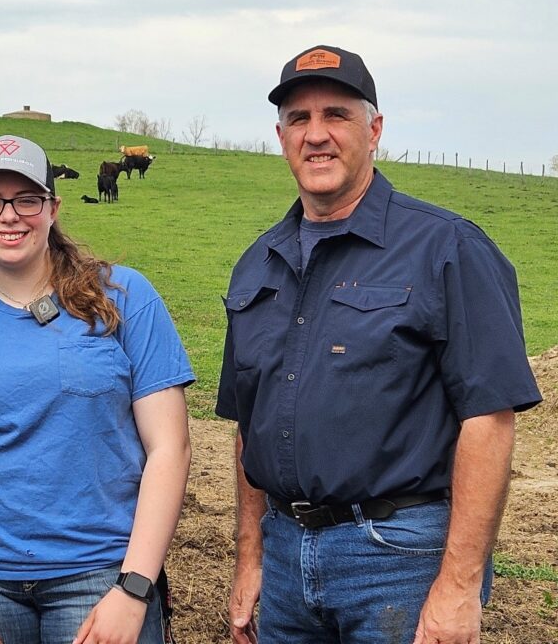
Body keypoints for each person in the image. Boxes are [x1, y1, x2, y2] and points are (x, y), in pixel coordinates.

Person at [215, 45, 542, 644]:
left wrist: (459, 584)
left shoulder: (448, 248)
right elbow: (248, 424)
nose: (316, 135)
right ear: (281, 136)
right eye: (299, 119)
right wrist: (251, 556)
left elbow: (489, 419)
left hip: (399, 558)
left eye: (336, 115)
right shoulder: (257, 266)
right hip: (285, 556)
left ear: (375, 129)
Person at [0, 135, 194, 644]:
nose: (8, 216)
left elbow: (171, 448)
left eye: (26, 199)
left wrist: (134, 588)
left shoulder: (123, 297)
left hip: (101, 576)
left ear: (53, 208)